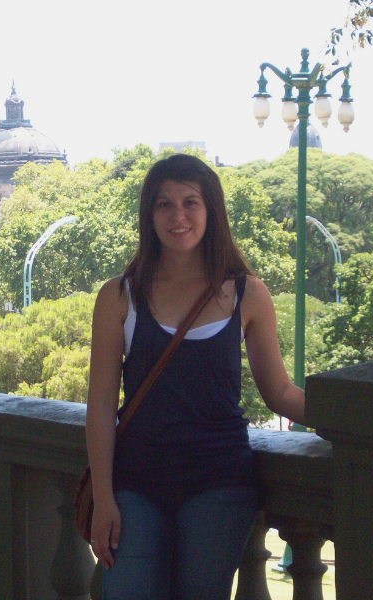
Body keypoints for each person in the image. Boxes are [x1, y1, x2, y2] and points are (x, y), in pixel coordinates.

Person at [85, 153, 305, 600]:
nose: (178, 215)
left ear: (212, 212)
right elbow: (102, 405)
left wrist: (354, 416)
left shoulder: (247, 293)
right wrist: (104, 498)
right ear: (149, 215)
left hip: (218, 481)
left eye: (191, 202)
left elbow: (279, 392)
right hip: (136, 483)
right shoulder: (119, 296)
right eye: (164, 204)